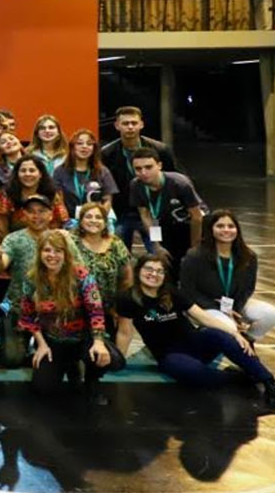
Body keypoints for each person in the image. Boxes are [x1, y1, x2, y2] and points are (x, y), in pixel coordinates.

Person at [116, 252, 275, 405]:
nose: (154, 274)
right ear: (138, 271)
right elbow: (125, 332)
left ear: (164, 275)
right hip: (170, 355)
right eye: (149, 269)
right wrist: (119, 359)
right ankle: (241, 379)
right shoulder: (127, 299)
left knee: (222, 336)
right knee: (194, 374)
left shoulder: (171, 292)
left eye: (159, 271)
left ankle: (268, 380)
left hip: (194, 343)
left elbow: (203, 317)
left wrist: (235, 333)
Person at [19, 230, 122, 405]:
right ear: (40, 253)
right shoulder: (31, 279)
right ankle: (69, 365)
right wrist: (41, 344)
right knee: (43, 388)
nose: (52, 255)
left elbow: (96, 311)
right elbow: (27, 317)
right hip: (52, 341)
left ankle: (92, 381)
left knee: (113, 360)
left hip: (83, 339)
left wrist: (98, 341)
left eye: (58, 251)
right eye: (47, 250)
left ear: (66, 254)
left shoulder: (82, 276)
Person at [0, 194, 77, 367]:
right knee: (11, 360)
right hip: (18, 308)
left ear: (51, 214)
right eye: (31, 211)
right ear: (24, 215)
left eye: (41, 211)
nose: (36, 216)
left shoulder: (63, 239)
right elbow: (0, 265)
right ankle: (22, 345)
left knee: (59, 358)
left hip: (52, 310)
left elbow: (78, 270)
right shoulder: (13, 239)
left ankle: (41, 346)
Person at [178, 210, 275, 341]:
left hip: (233, 305)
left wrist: (234, 311)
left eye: (231, 226)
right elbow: (188, 291)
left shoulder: (248, 256)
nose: (226, 230)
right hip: (204, 306)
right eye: (220, 226)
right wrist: (221, 309)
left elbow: (248, 289)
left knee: (270, 314)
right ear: (211, 229)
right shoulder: (194, 256)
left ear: (237, 230)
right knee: (229, 326)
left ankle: (247, 341)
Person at [101, 105, 177, 250]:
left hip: (152, 213)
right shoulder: (106, 154)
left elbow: (171, 179)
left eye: (134, 123)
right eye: (125, 123)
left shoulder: (160, 150)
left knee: (157, 253)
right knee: (117, 255)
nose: (130, 127)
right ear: (117, 125)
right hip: (121, 213)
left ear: (141, 124)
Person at [130, 147, 202, 272]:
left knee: (192, 265)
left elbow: (197, 217)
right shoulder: (136, 185)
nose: (143, 172)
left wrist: (194, 248)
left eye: (148, 167)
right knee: (168, 264)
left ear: (159, 165)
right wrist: (157, 245)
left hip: (192, 226)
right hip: (166, 226)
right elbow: (147, 216)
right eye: (138, 169)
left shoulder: (180, 184)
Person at [72, 202, 133, 329]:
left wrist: (120, 306)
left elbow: (126, 278)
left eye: (98, 217)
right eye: (88, 217)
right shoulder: (71, 242)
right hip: (76, 310)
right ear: (81, 221)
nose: (93, 220)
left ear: (105, 222)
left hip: (108, 311)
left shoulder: (115, 243)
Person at [0, 156, 69, 239]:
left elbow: (61, 221)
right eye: (23, 171)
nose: (27, 174)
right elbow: (0, 227)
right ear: (17, 174)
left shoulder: (52, 194)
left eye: (32, 170)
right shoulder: (6, 194)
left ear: (40, 174)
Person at [52, 128, 117, 220]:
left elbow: (107, 200)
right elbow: (58, 200)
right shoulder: (59, 171)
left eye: (89, 144)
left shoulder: (102, 171)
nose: (84, 146)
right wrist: (66, 220)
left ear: (94, 148)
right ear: (72, 147)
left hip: (96, 220)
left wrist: (100, 218)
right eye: (79, 143)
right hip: (69, 220)